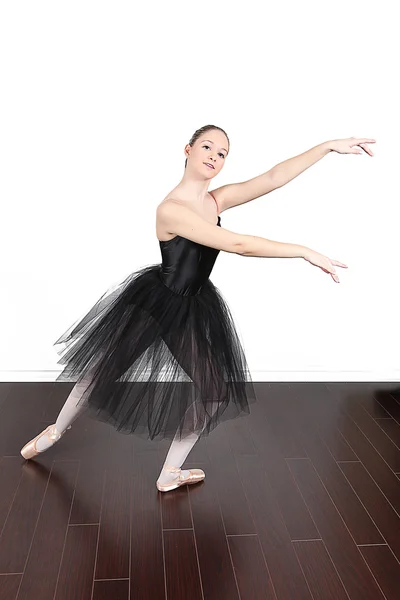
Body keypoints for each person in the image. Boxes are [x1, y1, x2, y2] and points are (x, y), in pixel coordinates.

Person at [20, 125, 375, 492]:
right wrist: (303, 250)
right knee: (101, 372)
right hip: (155, 304)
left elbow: (272, 177)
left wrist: (328, 147)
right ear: (187, 149)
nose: (214, 157)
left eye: (222, 153)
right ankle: (56, 430)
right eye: (207, 147)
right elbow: (238, 243)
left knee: (214, 389)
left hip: (190, 307)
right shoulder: (171, 210)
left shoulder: (215, 201)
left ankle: (169, 473)